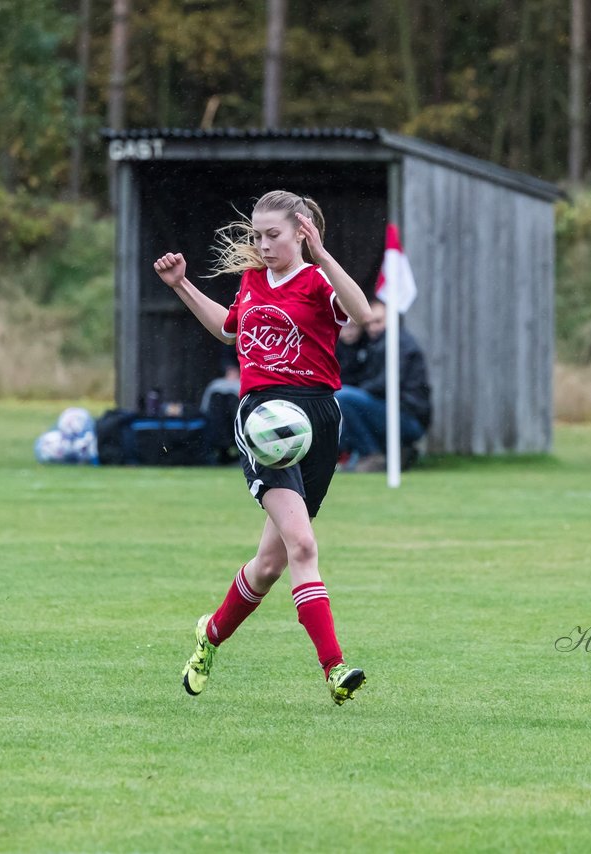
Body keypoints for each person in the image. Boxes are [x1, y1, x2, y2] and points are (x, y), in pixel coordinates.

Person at [153, 189, 374, 705]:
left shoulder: (320, 281)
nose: (262, 244)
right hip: (263, 419)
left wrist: (323, 256)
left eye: (273, 234)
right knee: (303, 545)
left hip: (317, 419)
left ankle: (208, 638)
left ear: (302, 231)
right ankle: (334, 669)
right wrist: (181, 284)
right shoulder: (253, 280)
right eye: (257, 235)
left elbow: (362, 313)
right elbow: (229, 331)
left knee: (270, 565)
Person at [334, 297, 432, 473]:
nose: (373, 327)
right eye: (369, 323)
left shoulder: (398, 344)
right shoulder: (373, 343)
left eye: (378, 321)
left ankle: (372, 456)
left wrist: (358, 392)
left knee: (344, 397)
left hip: (408, 416)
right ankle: (394, 452)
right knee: (342, 404)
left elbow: (386, 384)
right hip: (390, 411)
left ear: (392, 319)